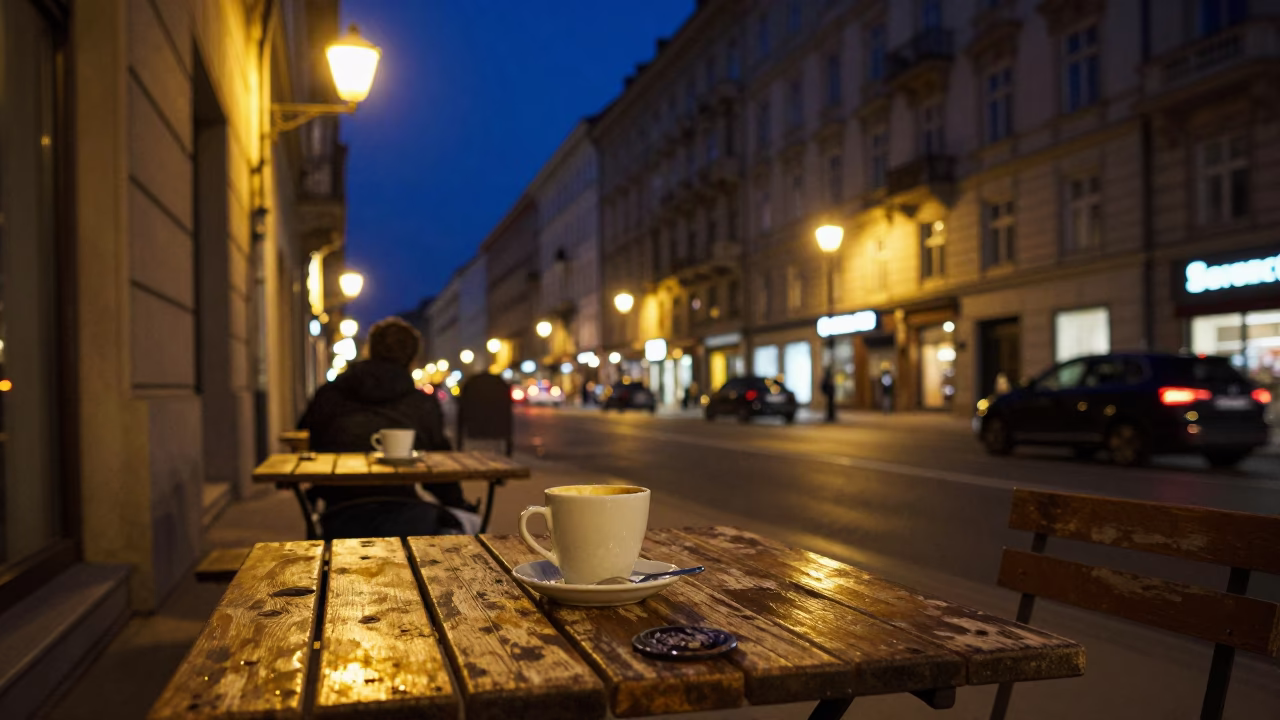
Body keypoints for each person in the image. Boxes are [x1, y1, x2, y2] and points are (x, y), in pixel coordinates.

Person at [298, 317, 474, 538]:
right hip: (407, 518)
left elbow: (307, 437)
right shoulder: (421, 403)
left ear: (369, 350)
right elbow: (438, 465)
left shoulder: (330, 393)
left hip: (338, 517)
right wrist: (458, 504)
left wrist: (316, 491)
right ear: (412, 358)